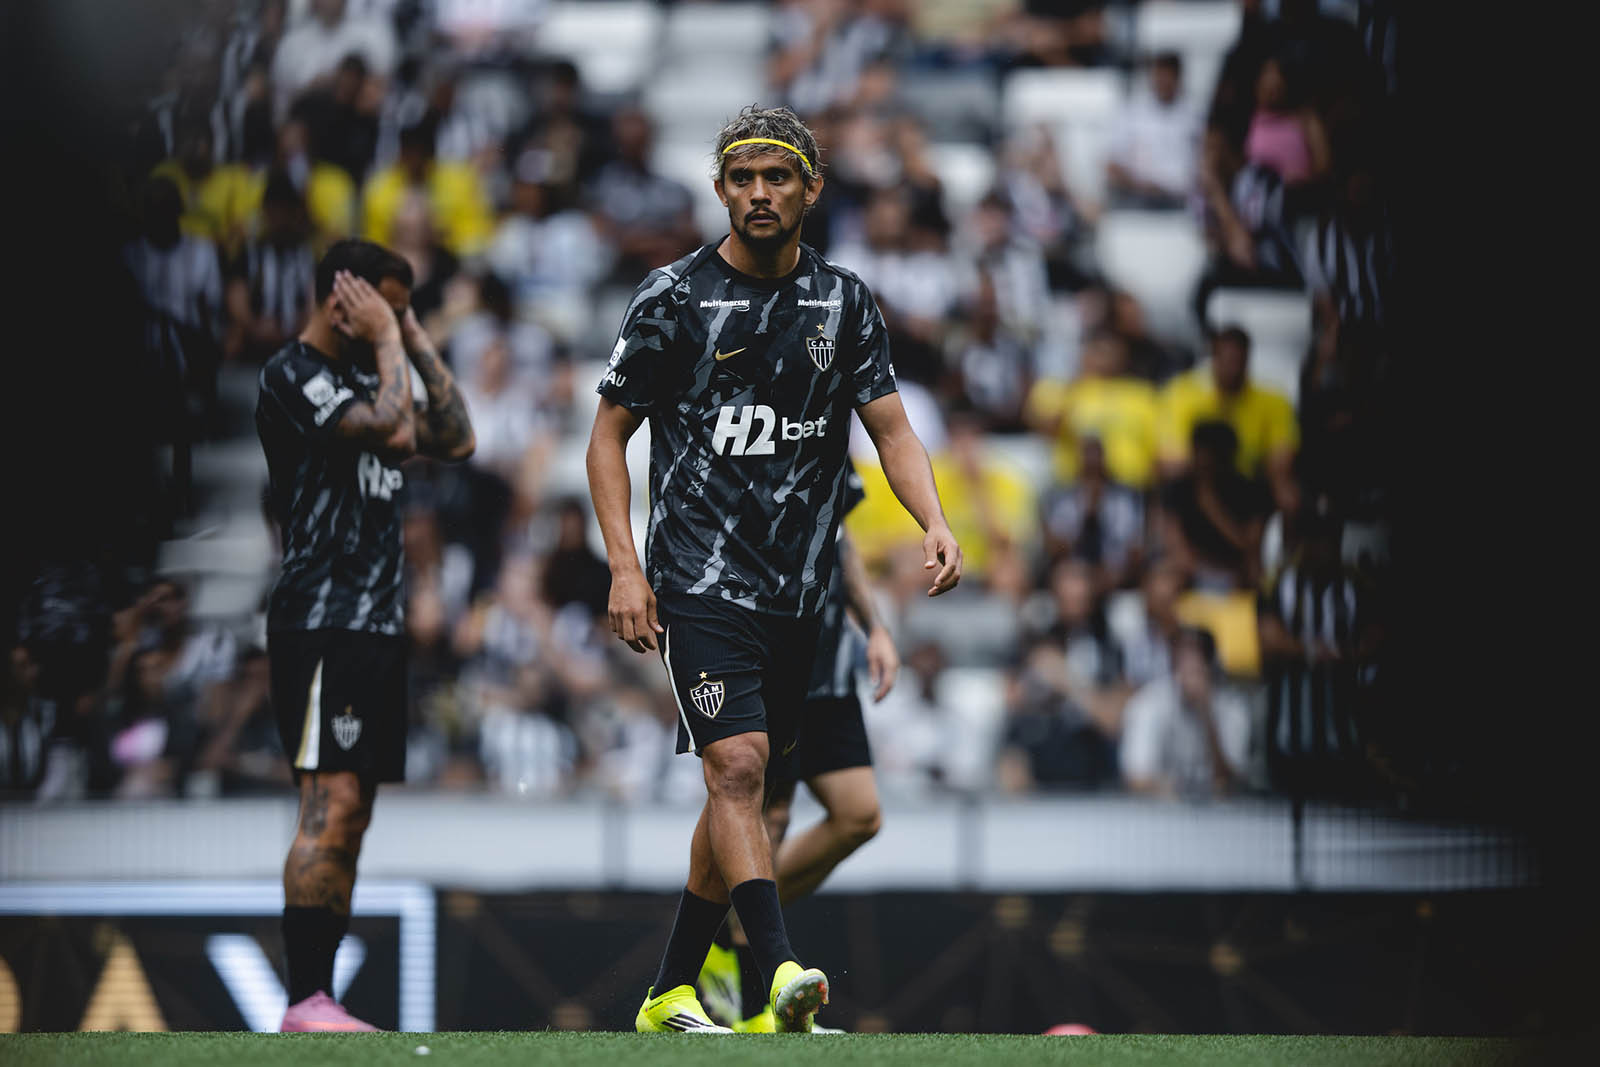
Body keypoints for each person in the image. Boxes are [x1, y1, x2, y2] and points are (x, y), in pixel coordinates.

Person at [585, 105, 962, 1035]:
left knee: (740, 796)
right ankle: (782, 968)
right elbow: (606, 439)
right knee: (739, 769)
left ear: (811, 189)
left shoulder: (845, 301)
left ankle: (669, 987)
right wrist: (626, 570)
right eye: (743, 178)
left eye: (778, 177)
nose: (760, 193)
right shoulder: (673, 297)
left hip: (802, 597)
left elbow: (893, 430)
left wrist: (936, 519)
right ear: (720, 189)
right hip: (698, 582)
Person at [255, 238, 475, 1032]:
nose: (394, 317)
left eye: (401, 306)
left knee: (357, 812)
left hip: (377, 627)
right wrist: (388, 341)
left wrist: (410, 337)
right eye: (382, 302)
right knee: (330, 799)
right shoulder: (293, 374)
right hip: (322, 621)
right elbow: (391, 429)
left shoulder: (371, 366)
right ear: (338, 297)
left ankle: (320, 1000)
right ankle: (303, 999)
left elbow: (457, 438)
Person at [698, 469, 899, 1033]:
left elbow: (839, 536)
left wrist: (874, 626)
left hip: (830, 658)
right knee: (773, 816)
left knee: (860, 815)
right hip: (774, 649)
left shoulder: (828, 417)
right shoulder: (747, 426)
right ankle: (758, 1002)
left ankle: (729, 925)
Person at [1120, 627, 1252, 799]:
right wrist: (1186, 790)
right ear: (1172, 665)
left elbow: (1231, 781)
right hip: (1158, 813)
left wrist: (1206, 713)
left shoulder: (1232, 708)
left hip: (1221, 815)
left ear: (1211, 666)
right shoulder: (1148, 704)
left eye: (1198, 666)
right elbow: (1136, 779)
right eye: (1183, 664)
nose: (1190, 674)